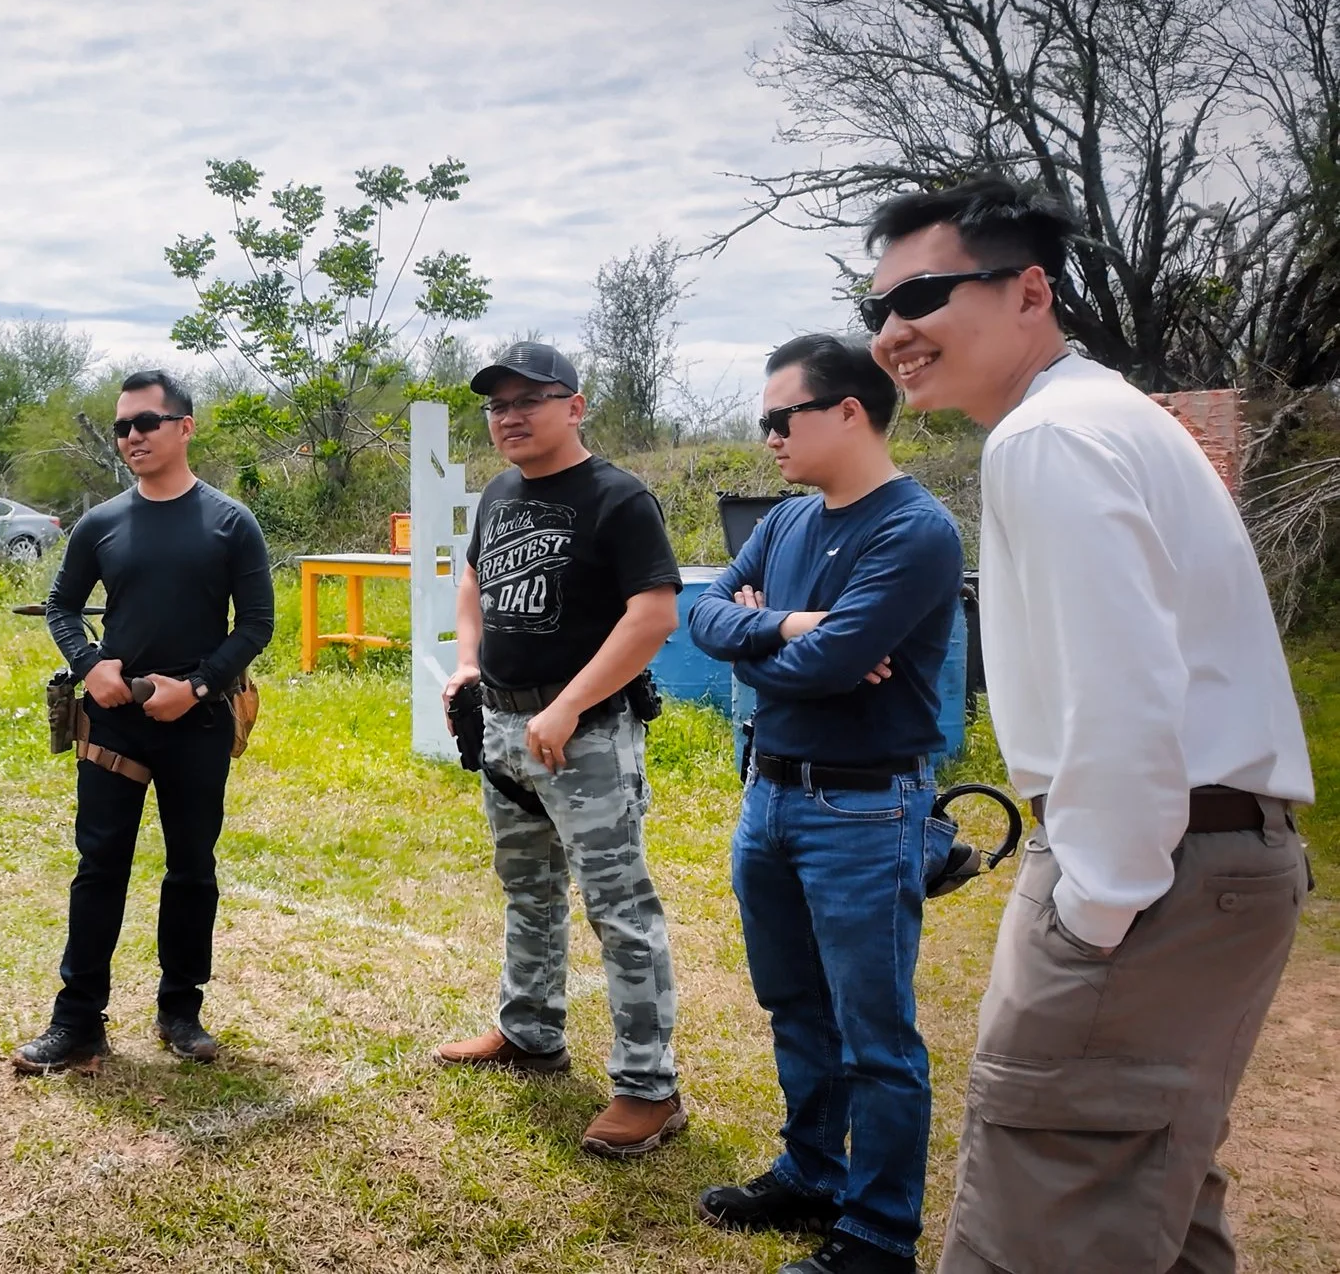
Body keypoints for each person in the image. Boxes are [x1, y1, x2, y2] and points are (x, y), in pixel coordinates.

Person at [865, 174, 1313, 1274]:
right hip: (1215, 860)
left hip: (1151, 877)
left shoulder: (1050, 437)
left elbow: (1120, 694)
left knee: (1045, 1217)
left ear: (1029, 291)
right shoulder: (1108, 415)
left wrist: (1094, 909)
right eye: (875, 308)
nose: (891, 332)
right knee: (1151, 1201)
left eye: (920, 295)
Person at [686, 335, 965, 1274]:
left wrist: (768, 640)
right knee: (794, 1005)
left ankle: (879, 1235)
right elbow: (703, 614)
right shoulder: (787, 520)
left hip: (865, 811)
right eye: (764, 420)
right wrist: (791, 627)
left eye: (781, 417)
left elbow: (828, 664)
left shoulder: (914, 530)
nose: (768, 436)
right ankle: (812, 1173)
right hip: (768, 797)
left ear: (849, 411)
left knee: (874, 1035)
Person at [434, 340, 688, 1159]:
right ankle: (530, 1033)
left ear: (574, 407)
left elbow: (654, 615)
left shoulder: (619, 498)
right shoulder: (499, 494)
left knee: (620, 911)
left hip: (587, 736)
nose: (509, 417)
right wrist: (468, 664)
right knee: (529, 892)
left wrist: (570, 706)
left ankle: (649, 1089)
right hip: (504, 728)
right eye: (497, 405)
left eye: (528, 401)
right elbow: (473, 582)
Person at [13, 369, 274, 1073]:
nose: (131, 436)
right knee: (100, 865)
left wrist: (197, 686)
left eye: (146, 423)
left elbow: (256, 623)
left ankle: (180, 1011)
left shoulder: (230, 522)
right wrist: (90, 664)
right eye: (122, 426)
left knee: (192, 868)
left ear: (184, 428)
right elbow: (63, 607)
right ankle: (77, 1022)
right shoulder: (101, 523)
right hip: (115, 721)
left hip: (198, 722)